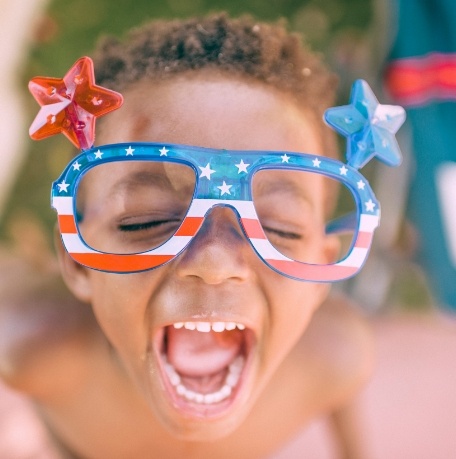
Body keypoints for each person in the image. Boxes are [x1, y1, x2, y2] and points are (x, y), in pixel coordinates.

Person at [1, 12, 405, 458]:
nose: (214, 263)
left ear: (321, 275)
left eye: (279, 229)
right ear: (77, 260)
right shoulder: (30, 350)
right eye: (145, 221)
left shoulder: (337, 361)